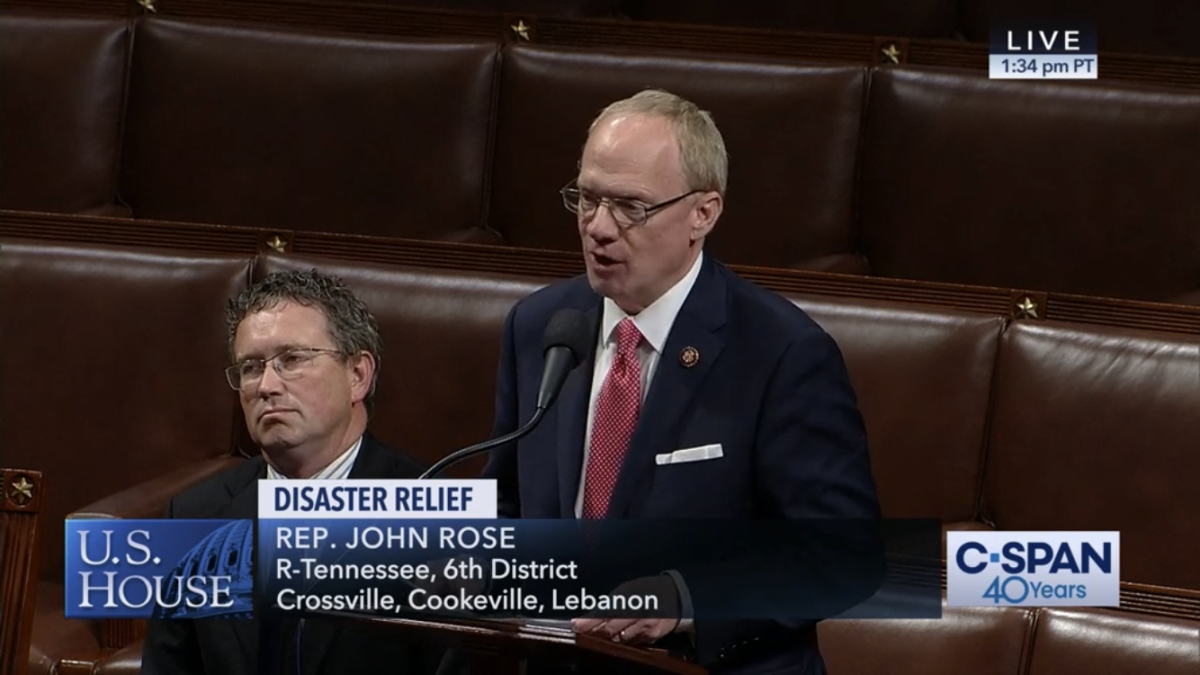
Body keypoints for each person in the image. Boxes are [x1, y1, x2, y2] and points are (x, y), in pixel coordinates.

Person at [482, 89, 881, 674]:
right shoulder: (540, 325)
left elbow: (844, 555)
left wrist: (688, 598)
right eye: (587, 199)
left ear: (704, 213)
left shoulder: (781, 353)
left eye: (630, 207)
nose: (598, 228)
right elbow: (508, 505)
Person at [141, 269, 444, 675]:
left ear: (358, 376)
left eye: (292, 359)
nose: (266, 385)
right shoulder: (196, 516)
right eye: (251, 367)